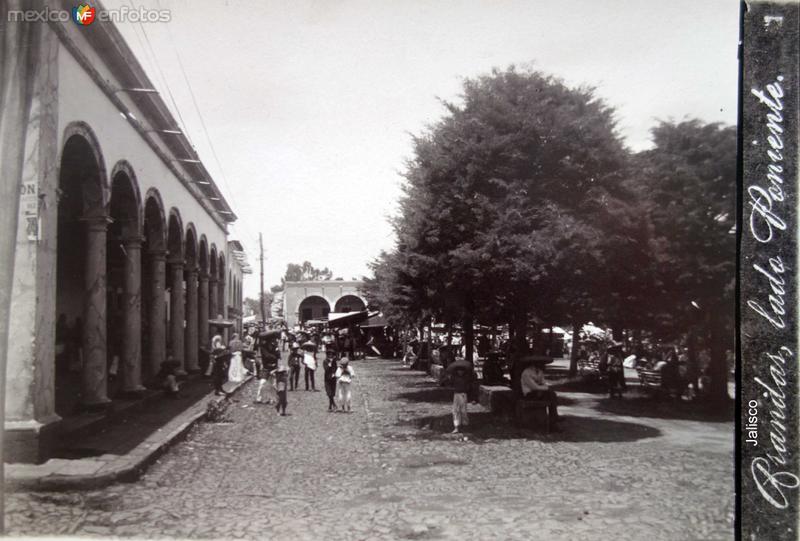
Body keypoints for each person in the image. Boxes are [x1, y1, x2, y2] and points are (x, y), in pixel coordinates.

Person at [519, 360, 561, 431]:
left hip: (539, 392)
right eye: (541, 363)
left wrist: (544, 387)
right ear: (534, 363)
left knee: (551, 394)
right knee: (550, 393)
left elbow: (544, 383)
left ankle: (553, 421)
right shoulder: (526, 372)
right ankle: (554, 420)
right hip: (529, 394)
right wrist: (546, 388)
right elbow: (534, 387)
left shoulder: (540, 371)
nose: (543, 365)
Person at [444, 357, 473, 433]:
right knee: (455, 410)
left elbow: (469, 386)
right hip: (456, 394)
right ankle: (456, 426)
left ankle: (465, 425)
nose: (460, 372)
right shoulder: (454, 377)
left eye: (462, 371)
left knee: (463, 411)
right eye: (459, 370)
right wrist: (448, 378)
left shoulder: (466, 378)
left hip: (463, 394)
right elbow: (448, 383)